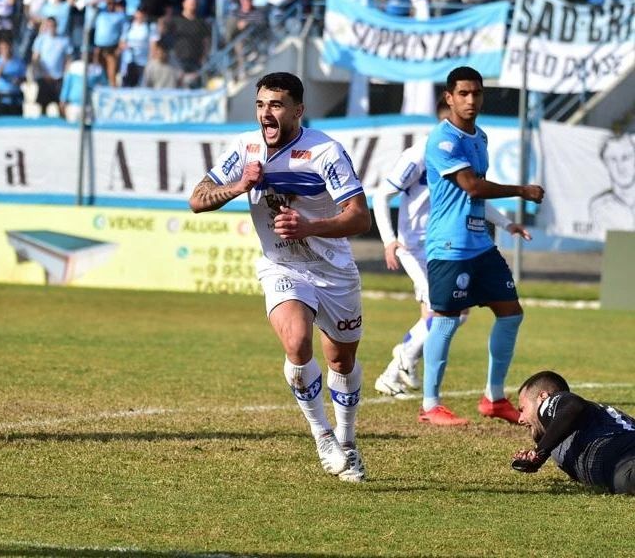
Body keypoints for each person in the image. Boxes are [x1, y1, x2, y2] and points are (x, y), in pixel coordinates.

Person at [189, 71, 371, 482]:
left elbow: (360, 217)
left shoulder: (325, 151)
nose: (265, 114)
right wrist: (239, 185)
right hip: (282, 265)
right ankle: (321, 434)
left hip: (334, 270)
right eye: (260, 105)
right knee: (296, 341)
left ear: (298, 110)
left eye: (276, 105)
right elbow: (197, 199)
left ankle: (347, 440)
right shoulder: (245, 147)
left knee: (341, 359)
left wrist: (309, 226)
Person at [373, 98, 531, 398]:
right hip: (417, 244)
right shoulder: (420, 152)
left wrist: (507, 223)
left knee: (454, 313)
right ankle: (399, 365)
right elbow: (382, 194)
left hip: (446, 241)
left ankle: (399, 367)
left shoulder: (465, 149)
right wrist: (389, 240)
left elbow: (473, 198)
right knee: (440, 311)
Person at [419, 66, 544, 426]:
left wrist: (506, 223)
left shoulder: (480, 138)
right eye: (463, 93)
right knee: (446, 321)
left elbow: (477, 196)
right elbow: (472, 186)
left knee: (511, 312)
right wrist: (522, 190)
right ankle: (430, 406)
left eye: (476, 93)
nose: (470, 100)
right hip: (449, 246)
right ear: (449, 97)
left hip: (480, 244)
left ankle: (493, 397)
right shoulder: (443, 140)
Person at [513, 370, 635, 495]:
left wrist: (539, 453)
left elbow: (573, 405)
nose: (520, 419)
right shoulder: (559, 434)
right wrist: (536, 453)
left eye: (522, 409)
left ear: (543, 396)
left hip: (620, 453)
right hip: (621, 460)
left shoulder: (549, 403)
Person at [588, 134, 635, 236]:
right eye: (613, 159)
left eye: (626, 157)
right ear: (605, 164)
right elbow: (617, 249)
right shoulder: (600, 208)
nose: (620, 167)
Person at [0, 39, 26, 117]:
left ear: (11, 48)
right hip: (2, 97)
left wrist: (18, 80)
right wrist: (4, 63)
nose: (4, 50)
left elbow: (24, 78)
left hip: (15, 97)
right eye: (2, 48)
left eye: (6, 48)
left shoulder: (19, 62)